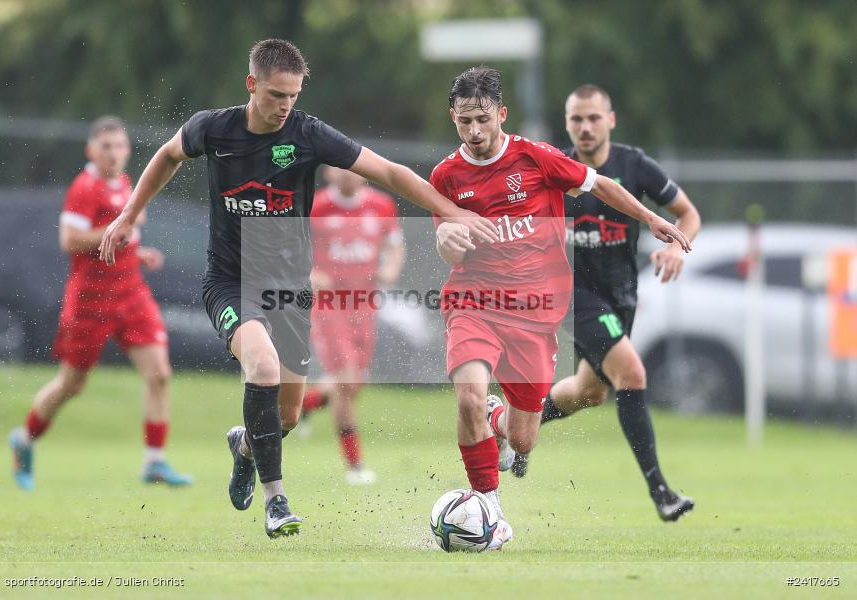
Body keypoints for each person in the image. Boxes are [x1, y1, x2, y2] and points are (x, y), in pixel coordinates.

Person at [98, 39, 497, 539]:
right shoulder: (213, 128)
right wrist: (129, 214)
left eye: (293, 96)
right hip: (230, 283)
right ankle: (276, 500)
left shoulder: (308, 135)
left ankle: (246, 446)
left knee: (285, 415)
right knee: (261, 367)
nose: (285, 105)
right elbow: (167, 154)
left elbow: (389, 172)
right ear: (252, 85)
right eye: (276, 94)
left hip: (290, 292)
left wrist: (452, 211)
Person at [431, 68, 691, 549]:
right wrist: (448, 238)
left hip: (534, 314)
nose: (474, 131)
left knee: (523, 438)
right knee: (467, 395)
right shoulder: (445, 176)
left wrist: (653, 218)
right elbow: (447, 247)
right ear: (453, 117)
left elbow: (603, 186)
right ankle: (490, 508)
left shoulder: (536, 157)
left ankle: (496, 421)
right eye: (464, 121)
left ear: (501, 114)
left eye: (482, 119)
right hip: (474, 302)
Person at [537, 84, 701, 522]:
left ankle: (516, 427)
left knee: (589, 392)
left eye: (593, 118)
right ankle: (661, 493)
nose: (585, 127)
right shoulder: (556, 166)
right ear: (567, 123)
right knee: (633, 373)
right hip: (570, 292)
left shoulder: (634, 164)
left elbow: (688, 213)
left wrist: (674, 249)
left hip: (620, 294)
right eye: (576, 119)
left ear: (611, 120)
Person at [9, 116, 193, 491]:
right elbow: (70, 240)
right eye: (106, 146)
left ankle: (155, 461)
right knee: (72, 384)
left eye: (121, 145)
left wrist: (139, 253)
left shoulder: (126, 183)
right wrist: (114, 231)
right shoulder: (84, 187)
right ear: (91, 150)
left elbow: (121, 238)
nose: (114, 153)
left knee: (159, 374)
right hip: (91, 301)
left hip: (131, 292)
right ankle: (24, 439)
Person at [300, 166, 405, 485]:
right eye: (339, 168)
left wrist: (390, 269)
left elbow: (396, 245)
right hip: (329, 306)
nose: (348, 174)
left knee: (354, 385)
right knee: (346, 380)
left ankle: (305, 402)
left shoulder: (381, 204)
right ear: (328, 172)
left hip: (365, 304)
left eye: (353, 167)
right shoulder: (314, 206)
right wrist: (311, 274)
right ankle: (356, 466)